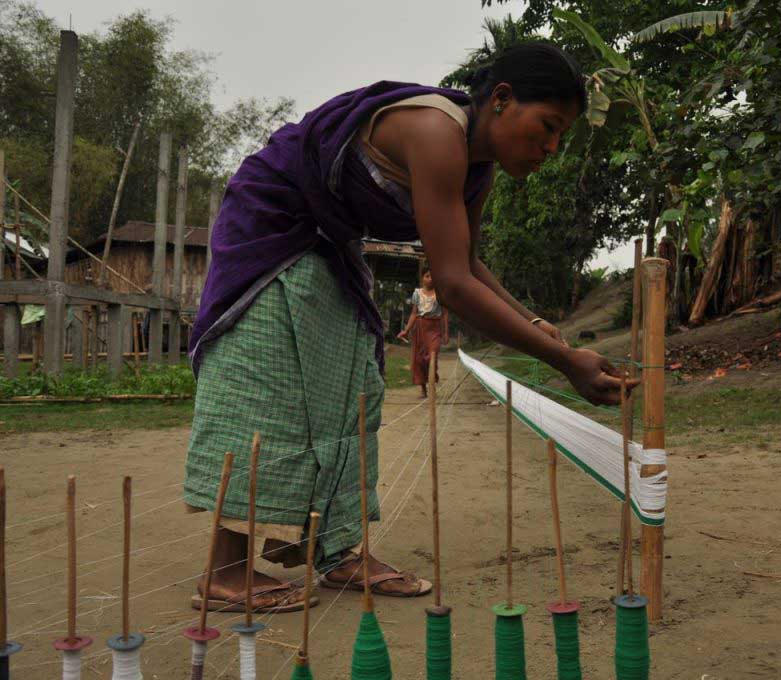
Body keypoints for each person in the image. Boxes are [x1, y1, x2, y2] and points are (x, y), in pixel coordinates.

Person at [183, 42, 634, 613]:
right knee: (271, 383)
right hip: (272, 226)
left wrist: (534, 324)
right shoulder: (436, 134)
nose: (549, 147)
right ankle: (225, 569)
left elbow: (466, 262)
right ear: (501, 99)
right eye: (546, 127)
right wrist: (563, 361)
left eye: (560, 138)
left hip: (329, 241)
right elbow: (451, 286)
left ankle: (337, 549)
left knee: (349, 386)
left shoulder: (477, 169)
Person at [397, 266, 448, 398]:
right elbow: (414, 313)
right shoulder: (417, 293)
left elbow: (444, 314)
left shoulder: (440, 293)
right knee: (419, 360)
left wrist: (446, 333)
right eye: (427, 276)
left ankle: (432, 387)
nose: (430, 279)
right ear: (422, 278)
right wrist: (406, 330)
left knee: (433, 356)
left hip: (434, 329)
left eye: (433, 276)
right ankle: (423, 389)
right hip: (419, 329)